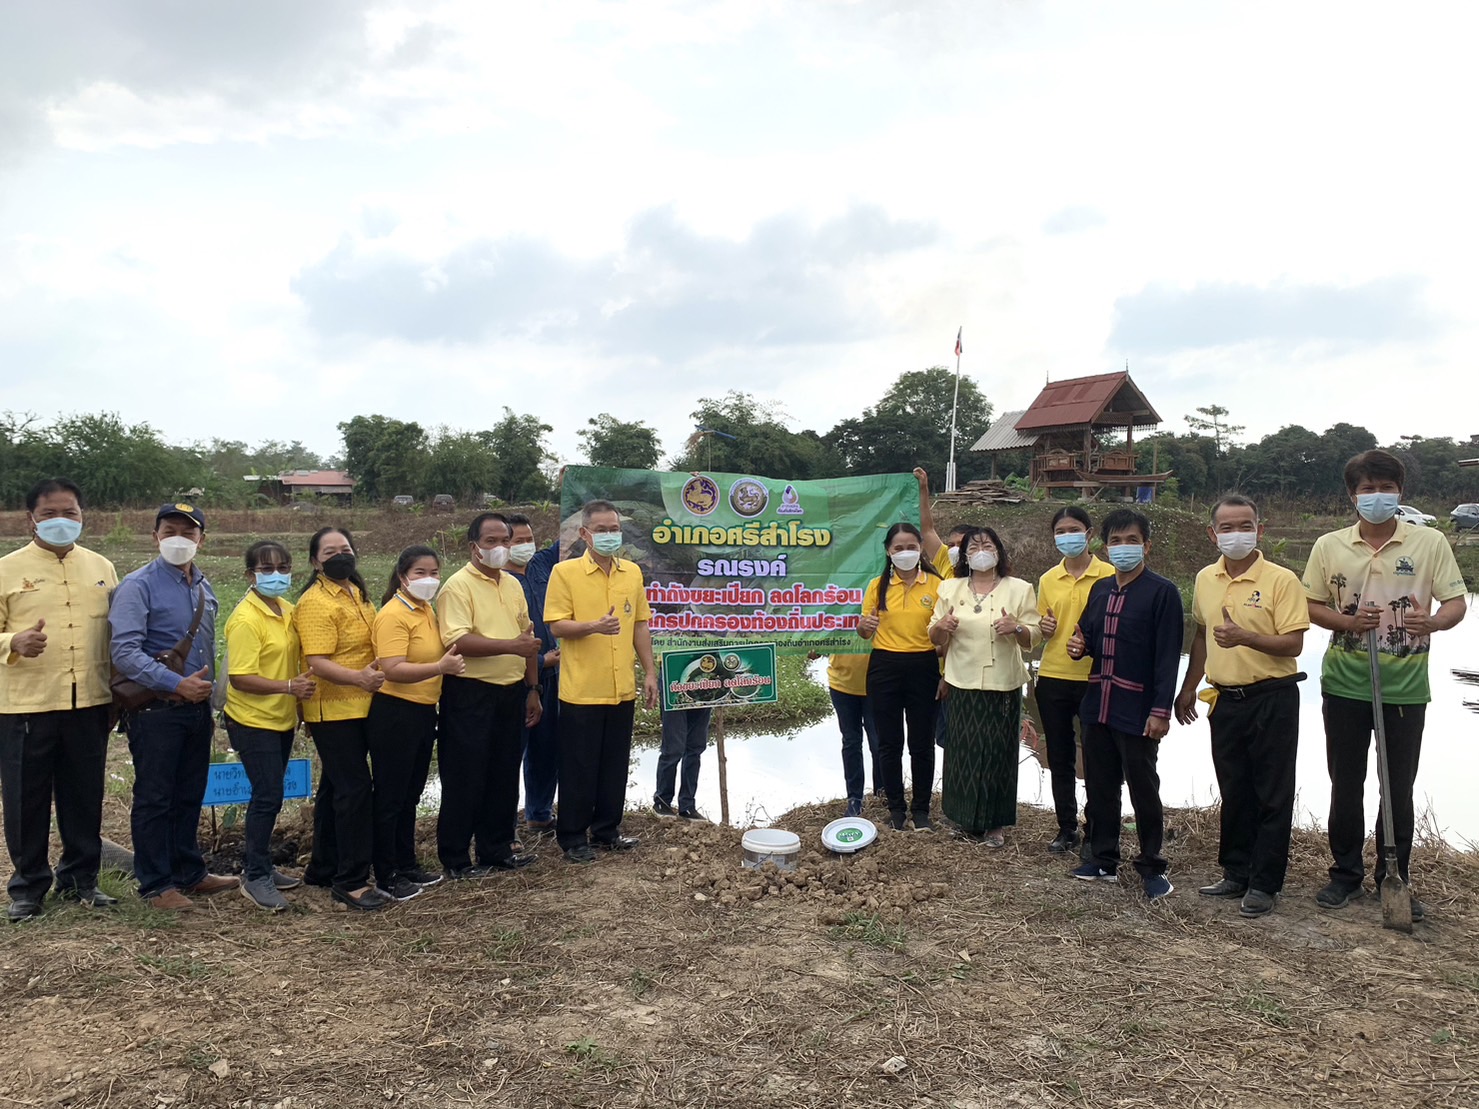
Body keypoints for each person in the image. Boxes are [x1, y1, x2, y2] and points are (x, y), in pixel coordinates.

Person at [1302, 450, 1466, 921]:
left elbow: (1455, 602)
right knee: (1346, 783)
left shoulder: (1430, 541)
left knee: (1398, 787)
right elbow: (1312, 605)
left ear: (1401, 492)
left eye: (1385, 488)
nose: (1376, 496)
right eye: (1367, 489)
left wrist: (1432, 622)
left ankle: (1394, 876)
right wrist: (1347, 622)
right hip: (1344, 683)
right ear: (1352, 496)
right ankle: (1345, 875)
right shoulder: (1329, 544)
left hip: (1405, 687)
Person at [1174, 496, 1308, 917]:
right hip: (1225, 700)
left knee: (1272, 792)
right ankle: (1235, 872)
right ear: (1213, 533)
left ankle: (1265, 883)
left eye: (1244, 525)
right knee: (1235, 790)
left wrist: (1247, 637)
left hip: (1273, 697)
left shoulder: (1282, 579)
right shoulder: (1205, 578)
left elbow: (1295, 643)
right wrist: (1188, 686)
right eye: (1227, 527)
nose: (1236, 534)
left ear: (1259, 530)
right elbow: (1201, 635)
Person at [0, 478, 119, 922]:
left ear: (83, 516)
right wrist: (13, 641)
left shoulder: (102, 567)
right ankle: (28, 886)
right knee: (25, 797)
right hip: (26, 704)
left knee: (84, 794)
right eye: (49, 514)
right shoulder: (7, 569)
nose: (60, 521)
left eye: (69, 513)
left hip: (89, 701)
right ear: (29, 519)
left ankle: (81, 878)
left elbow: (117, 635)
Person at [110, 502, 236, 910]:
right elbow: (125, 652)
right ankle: (155, 884)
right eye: (170, 530)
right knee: (155, 797)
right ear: (155, 537)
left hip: (196, 710)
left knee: (188, 793)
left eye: (188, 531)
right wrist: (176, 683)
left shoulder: (203, 586)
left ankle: (189, 871)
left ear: (202, 539)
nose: (178, 538)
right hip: (156, 710)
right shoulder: (138, 585)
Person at [1065, 508, 1182, 900]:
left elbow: (1167, 658)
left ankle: (1152, 866)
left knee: (1143, 788)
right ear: (1105, 546)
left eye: (1131, 540)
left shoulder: (1162, 591)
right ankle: (1103, 859)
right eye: (1115, 541)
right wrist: (1080, 647)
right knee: (1100, 785)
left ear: (1146, 545)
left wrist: (1160, 711)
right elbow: (1089, 639)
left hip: (1138, 707)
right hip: (1099, 703)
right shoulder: (1100, 589)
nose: (1123, 548)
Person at [545, 500, 658, 863]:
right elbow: (557, 625)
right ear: (584, 534)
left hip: (620, 686)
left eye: (614, 529)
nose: (610, 535)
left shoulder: (632, 573)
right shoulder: (565, 573)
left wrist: (650, 672)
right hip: (582, 690)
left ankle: (607, 830)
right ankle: (574, 837)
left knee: (614, 763)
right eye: (602, 530)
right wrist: (593, 626)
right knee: (579, 765)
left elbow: (640, 624)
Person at [435, 513, 542, 878]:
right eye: (492, 541)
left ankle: (496, 849)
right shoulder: (457, 586)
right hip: (470, 693)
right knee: (465, 774)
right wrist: (510, 646)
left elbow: (527, 640)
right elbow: (458, 641)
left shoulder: (512, 584)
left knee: (503, 771)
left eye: (505, 541)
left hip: (511, 692)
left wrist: (532, 688)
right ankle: (456, 858)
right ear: (474, 547)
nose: (500, 548)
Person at [928, 526, 1041, 845]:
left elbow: (1034, 635)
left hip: (1002, 683)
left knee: (997, 752)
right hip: (961, 681)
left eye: (987, 544)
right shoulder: (949, 588)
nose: (980, 550)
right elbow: (933, 637)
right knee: (961, 751)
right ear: (963, 555)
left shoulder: (1019, 588)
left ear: (999, 552)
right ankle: (962, 819)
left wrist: (1015, 627)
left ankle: (995, 824)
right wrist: (942, 626)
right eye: (973, 545)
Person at [221, 540, 317, 912]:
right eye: (266, 569)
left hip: (280, 718)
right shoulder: (246, 619)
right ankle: (255, 874)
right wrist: (288, 687)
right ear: (250, 575)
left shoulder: (287, 610)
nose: (276, 575)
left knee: (270, 794)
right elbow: (240, 678)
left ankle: (262, 865)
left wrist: (300, 707)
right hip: (252, 720)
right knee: (267, 796)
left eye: (282, 567)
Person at [297, 527, 389, 911]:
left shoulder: (357, 593)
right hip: (332, 708)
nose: (340, 556)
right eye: (330, 551)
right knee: (354, 790)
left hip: (361, 705)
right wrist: (360, 678)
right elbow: (317, 662)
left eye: (346, 549)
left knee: (334, 788)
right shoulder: (315, 601)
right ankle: (350, 881)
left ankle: (323, 867)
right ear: (316, 561)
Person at [368, 545, 464, 900]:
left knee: (410, 794)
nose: (429, 580)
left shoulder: (426, 610)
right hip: (396, 711)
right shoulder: (394, 614)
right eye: (421, 573)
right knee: (390, 797)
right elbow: (392, 668)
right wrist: (439, 668)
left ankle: (406, 864)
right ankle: (386, 873)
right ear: (403, 575)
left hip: (424, 712)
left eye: (434, 572)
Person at [1035, 507, 1114, 854]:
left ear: (1090, 533)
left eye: (1074, 529)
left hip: (1096, 679)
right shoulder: (1048, 579)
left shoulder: (1110, 575)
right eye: (1060, 531)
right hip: (1052, 675)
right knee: (1060, 755)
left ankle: (1095, 826)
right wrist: (1044, 629)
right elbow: (1039, 628)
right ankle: (1066, 828)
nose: (1067, 536)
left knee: (1098, 758)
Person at [858, 522, 946, 831]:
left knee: (922, 743)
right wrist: (864, 627)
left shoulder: (937, 585)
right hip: (884, 667)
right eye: (898, 548)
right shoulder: (876, 586)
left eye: (911, 547)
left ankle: (921, 810)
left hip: (924, 665)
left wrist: (944, 675)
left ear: (921, 549)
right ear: (888, 551)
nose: (905, 553)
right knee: (889, 743)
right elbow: (864, 629)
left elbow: (947, 636)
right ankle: (895, 809)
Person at [506, 514, 561, 834]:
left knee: (547, 745)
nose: (526, 545)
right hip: (520, 677)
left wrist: (574, 484)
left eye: (529, 539)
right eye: (517, 540)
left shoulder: (541, 566)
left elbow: (570, 537)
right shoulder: (498, 579)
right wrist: (541, 662)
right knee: (513, 749)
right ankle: (503, 820)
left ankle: (539, 812)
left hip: (552, 675)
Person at [826, 653, 880, 817]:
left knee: (879, 743)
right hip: (841, 684)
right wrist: (813, 646)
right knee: (851, 742)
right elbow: (817, 636)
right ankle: (854, 798)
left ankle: (883, 794)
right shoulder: (835, 624)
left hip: (877, 683)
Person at [652, 701, 710, 820]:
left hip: (704, 691)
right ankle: (662, 802)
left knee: (695, 748)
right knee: (673, 750)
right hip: (673, 689)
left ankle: (687, 806)